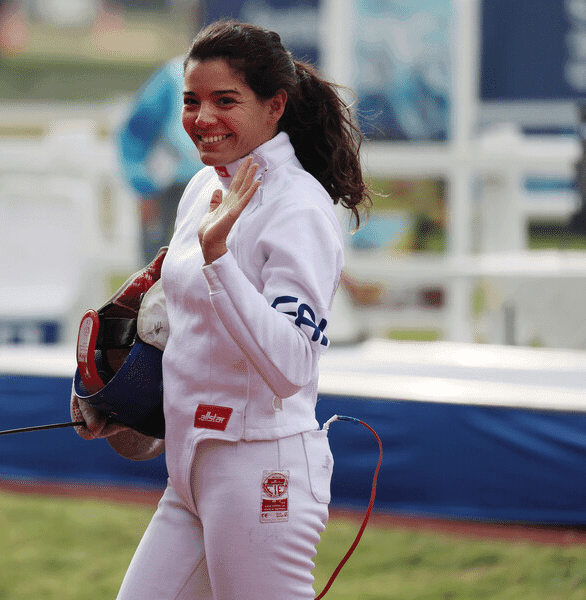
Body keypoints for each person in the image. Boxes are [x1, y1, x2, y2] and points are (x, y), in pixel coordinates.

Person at [72, 19, 372, 599]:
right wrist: (126, 405)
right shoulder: (201, 189)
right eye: (191, 101)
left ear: (274, 106)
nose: (202, 118)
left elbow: (291, 366)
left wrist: (217, 259)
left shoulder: (299, 208)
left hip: (262, 471)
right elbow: (187, 336)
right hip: (190, 470)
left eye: (224, 101)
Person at [117, 55, 205, 264]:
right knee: (158, 276)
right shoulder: (174, 75)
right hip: (172, 187)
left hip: (229, 187)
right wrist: (143, 185)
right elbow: (136, 133)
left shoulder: (250, 73)